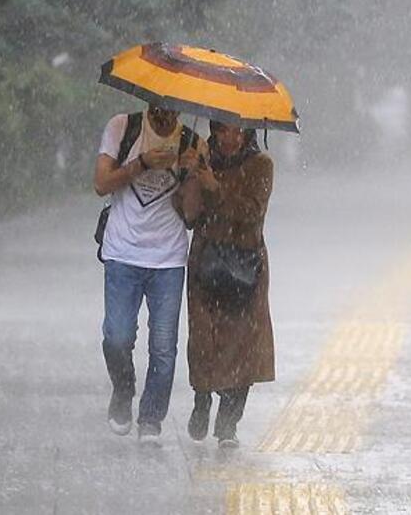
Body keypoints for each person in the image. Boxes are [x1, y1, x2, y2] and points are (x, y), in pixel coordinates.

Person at [93, 105, 200, 446]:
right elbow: (101, 183)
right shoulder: (122, 127)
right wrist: (142, 163)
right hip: (122, 253)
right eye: (160, 106)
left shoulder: (192, 142)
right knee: (117, 336)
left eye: (173, 109)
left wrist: (191, 174)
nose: (166, 115)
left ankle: (152, 417)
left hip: (168, 258)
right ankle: (123, 389)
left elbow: (192, 215)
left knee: (164, 346)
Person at [179, 121, 275, 448]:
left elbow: (251, 212)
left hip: (245, 263)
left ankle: (228, 423)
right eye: (222, 130)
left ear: (248, 133)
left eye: (237, 131)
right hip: (206, 260)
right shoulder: (202, 157)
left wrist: (215, 186)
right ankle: (202, 397)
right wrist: (191, 178)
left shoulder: (261, 164)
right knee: (204, 338)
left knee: (243, 344)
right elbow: (188, 216)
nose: (230, 138)